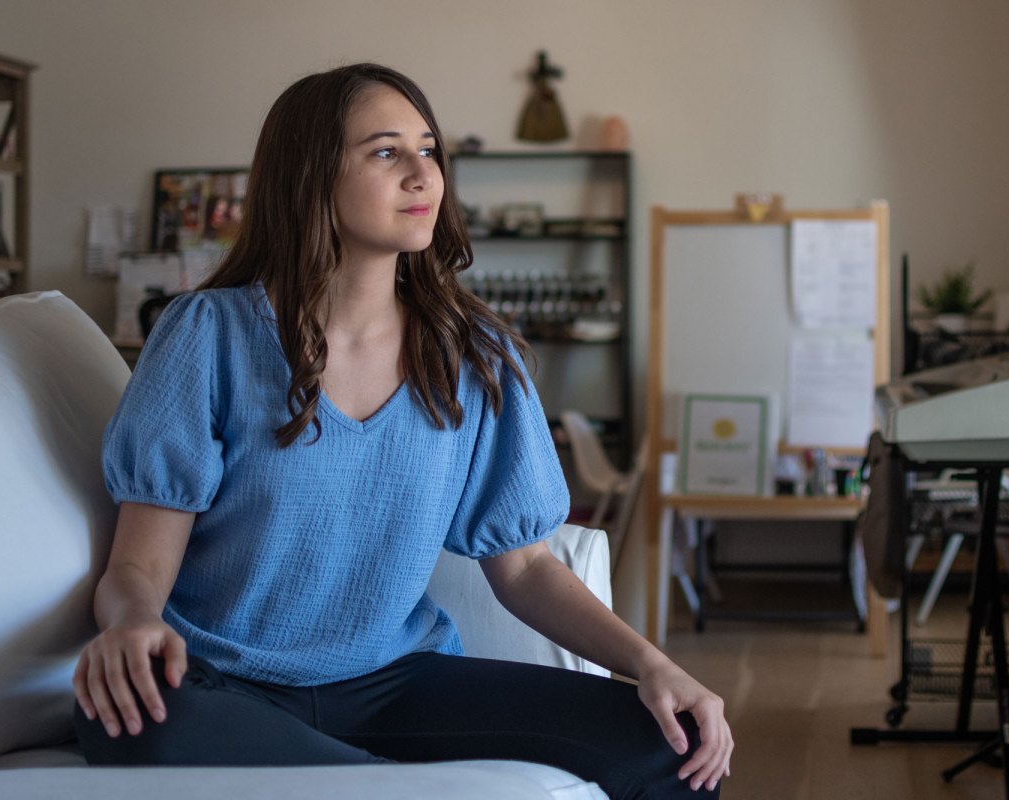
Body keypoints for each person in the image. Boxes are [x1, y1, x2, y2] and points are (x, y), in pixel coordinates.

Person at [72, 63, 734, 799]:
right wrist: (131, 624)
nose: (424, 175)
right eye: (386, 152)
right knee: (130, 722)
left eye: (429, 151)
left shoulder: (476, 356)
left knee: (675, 744)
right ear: (310, 177)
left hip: (395, 684)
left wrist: (651, 665)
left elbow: (526, 570)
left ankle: (371, 785)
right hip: (221, 686)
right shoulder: (208, 335)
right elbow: (136, 570)